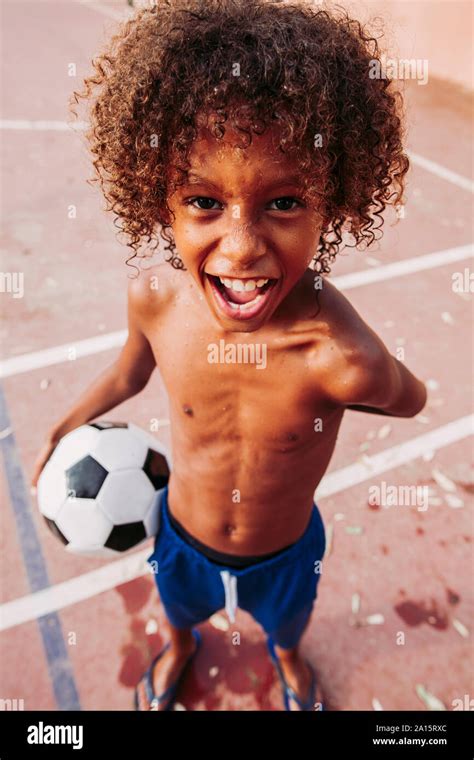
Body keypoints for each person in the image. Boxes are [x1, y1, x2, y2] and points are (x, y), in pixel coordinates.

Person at [32, 0, 426, 711]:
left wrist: (366, 362)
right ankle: (181, 647)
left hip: (285, 549)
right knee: (180, 611)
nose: (241, 247)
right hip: (181, 532)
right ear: (160, 201)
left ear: (331, 203)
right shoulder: (154, 301)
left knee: (287, 624)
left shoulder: (338, 355)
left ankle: (289, 659)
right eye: (203, 201)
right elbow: (129, 371)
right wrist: (68, 422)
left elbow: (411, 398)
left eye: (283, 202)